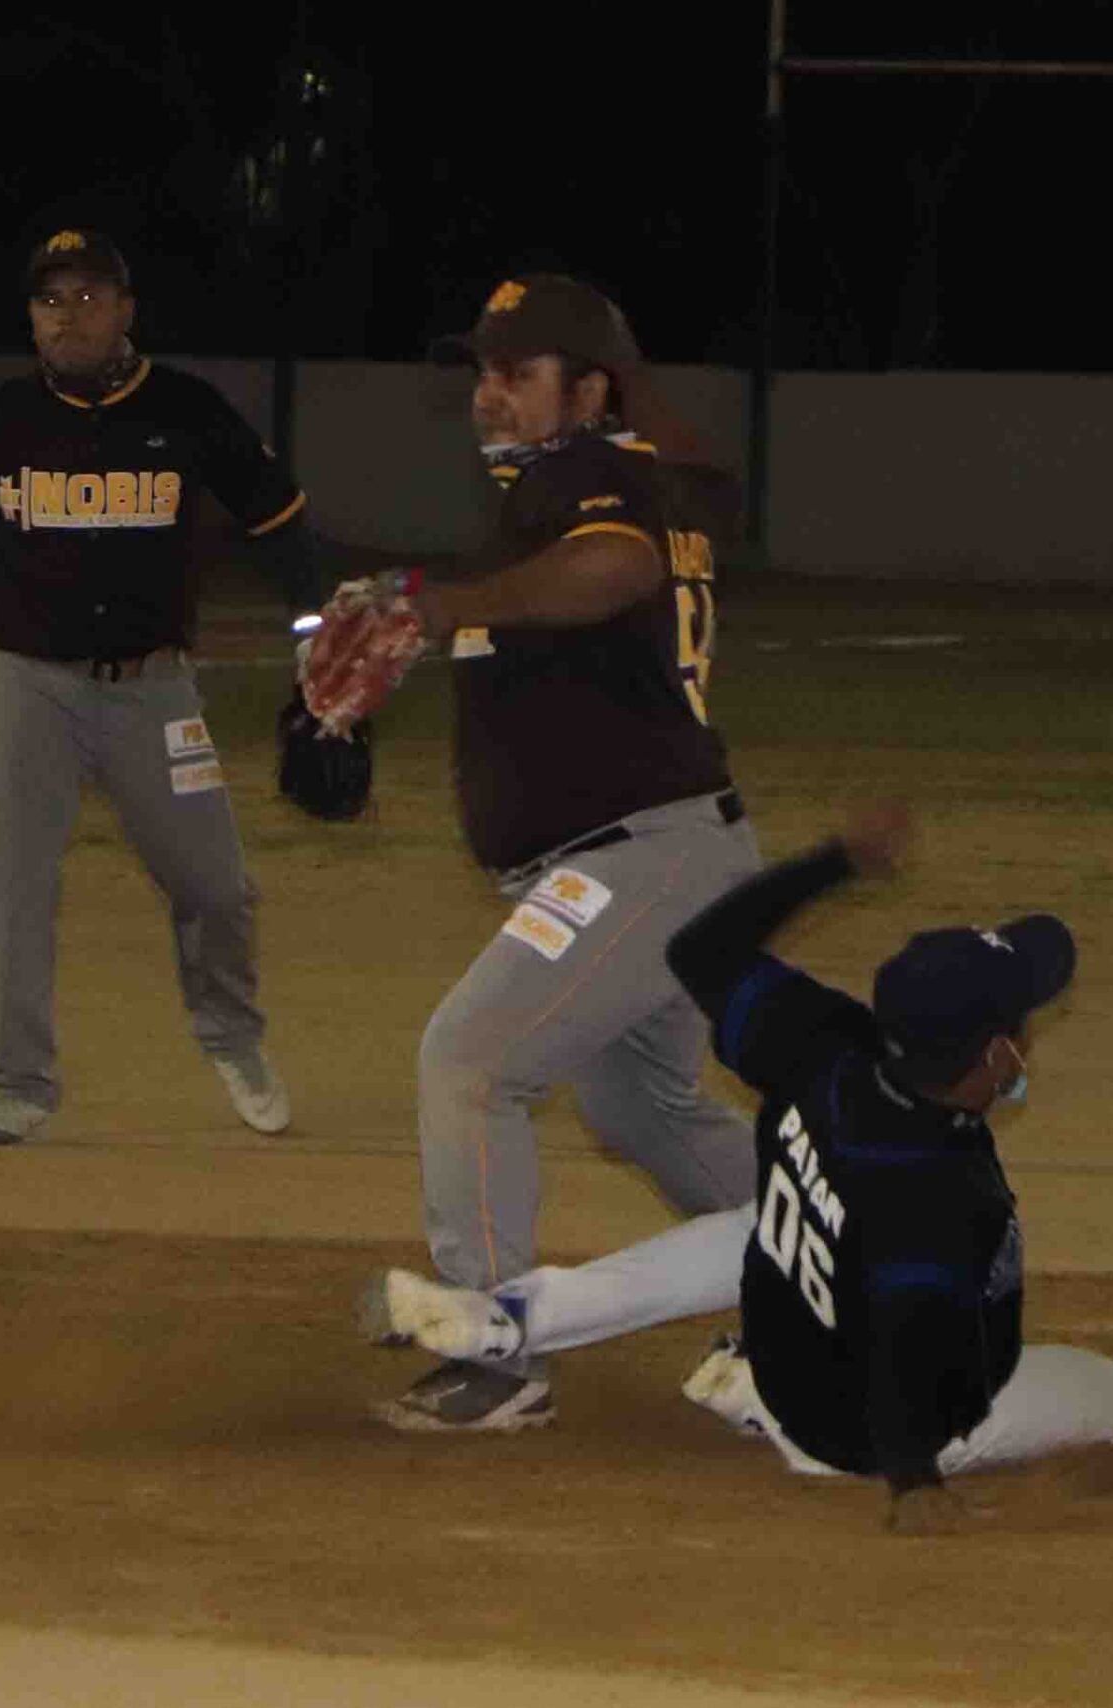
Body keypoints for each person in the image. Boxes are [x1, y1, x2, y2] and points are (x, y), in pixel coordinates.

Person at [357, 804, 1113, 1534]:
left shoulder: (828, 1043)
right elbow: (911, 1350)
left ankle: (513, 1318)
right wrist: (916, 1483)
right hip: (855, 1430)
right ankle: (764, 1403)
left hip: (792, 1329)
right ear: (996, 1055)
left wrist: (834, 863)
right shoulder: (944, 1189)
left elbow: (700, 949)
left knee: (754, 1230)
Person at [365, 273, 763, 1432]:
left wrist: (447, 606)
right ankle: (843, 1267)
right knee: (641, 1106)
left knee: (472, 1059)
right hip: (668, 851)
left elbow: (617, 567)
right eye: (482, 372)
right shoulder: (642, 476)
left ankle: (496, 1355)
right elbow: (701, 494)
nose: (488, 394)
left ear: (589, 391)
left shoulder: (581, 475)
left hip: (637, 857)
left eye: (517, 371)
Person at [0, 227, 327, 1146]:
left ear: (126, 310)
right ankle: (19, 1086)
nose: (68, 315)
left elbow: (279, 522)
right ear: (30, 319)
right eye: (50, 300)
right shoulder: (2, 421)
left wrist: (315, 636)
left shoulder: (187, 409)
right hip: (25, 687)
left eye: (89, 297)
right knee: (12, 889)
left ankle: (232, 1037)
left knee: (215, 886)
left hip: (152, 691)